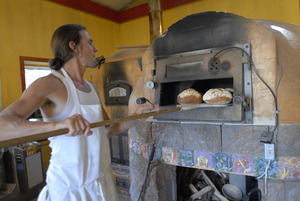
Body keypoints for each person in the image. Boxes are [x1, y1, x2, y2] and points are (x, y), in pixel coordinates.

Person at [0, 24, 158, 201]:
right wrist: (57, 126)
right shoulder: (50, 83)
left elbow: (108, 129)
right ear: (73, 46)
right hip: (69, 191)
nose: (95, 48)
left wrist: (137, 117)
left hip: (100, 185)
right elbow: (2, 126)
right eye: (90, 43)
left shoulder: (90, 87)